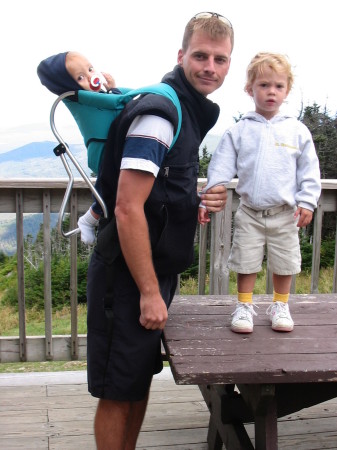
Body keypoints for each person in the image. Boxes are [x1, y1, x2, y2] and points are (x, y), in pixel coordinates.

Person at [86, 12, 233, 449]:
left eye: (221, 59)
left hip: (150, 274)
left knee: (135, 381)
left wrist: (195, 200)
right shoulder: (161, 115)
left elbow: (157, 193)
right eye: (201, 55)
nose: (210, 67)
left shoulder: (185, 109)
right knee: (118, 390)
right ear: (181, 55)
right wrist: (150, 292)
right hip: (129, 279)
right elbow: (128, 208)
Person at [199, 52, 321, 334]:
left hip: (285, 214)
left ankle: (281, 305)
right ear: (249, 89)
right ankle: (244, 306)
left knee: (285, 262)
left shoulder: (297, 131)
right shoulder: (239, 131)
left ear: (286, 91)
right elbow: (220, 167)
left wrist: (307, 202)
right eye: (264, 85)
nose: (271, 92)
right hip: (250, 212)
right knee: (246, 260)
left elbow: (309, 171)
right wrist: (209, 196)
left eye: (278, 86)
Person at [37, 51, 121, 244]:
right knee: (107, 187)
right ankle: (88, 220)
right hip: (104, 153)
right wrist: (116, 91)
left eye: (91, 69)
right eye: (81, 77)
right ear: (70, 86)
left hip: (114, 152)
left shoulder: (96, 96)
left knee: (113, 186)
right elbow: (118, 104)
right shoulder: (81, 98)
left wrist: (114, 88)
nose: (91, 77)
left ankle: (92, 219)